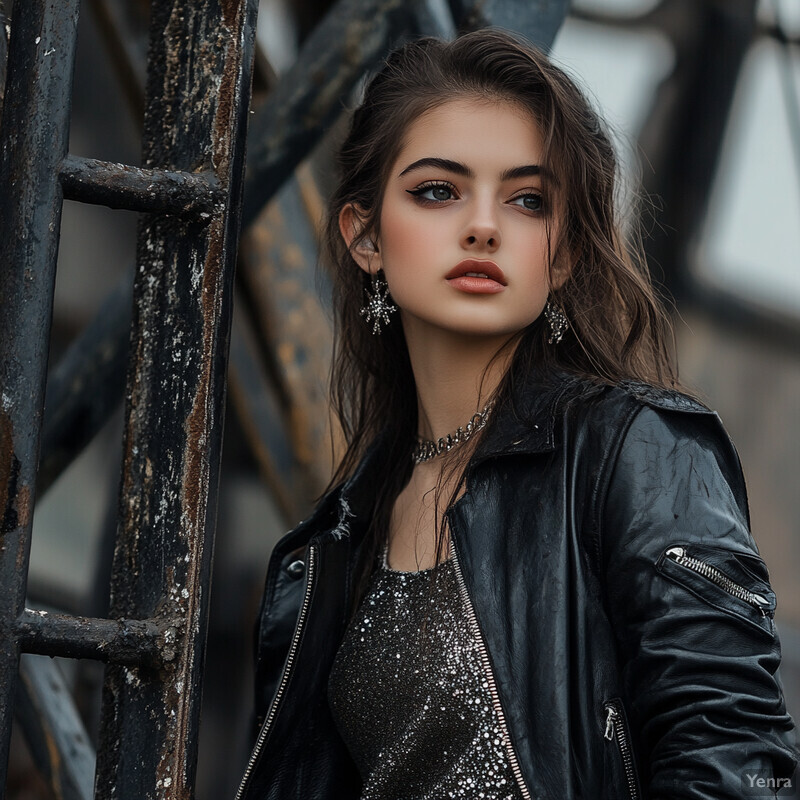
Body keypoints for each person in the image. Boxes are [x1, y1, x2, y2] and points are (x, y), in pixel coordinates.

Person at [235, 28, 799, 800]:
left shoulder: (637, 452)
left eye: (528, 200)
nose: (484, 225)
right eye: (438, 190)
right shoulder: (339, 534)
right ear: (364, 234)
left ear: (561, 254)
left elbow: (736, 767)